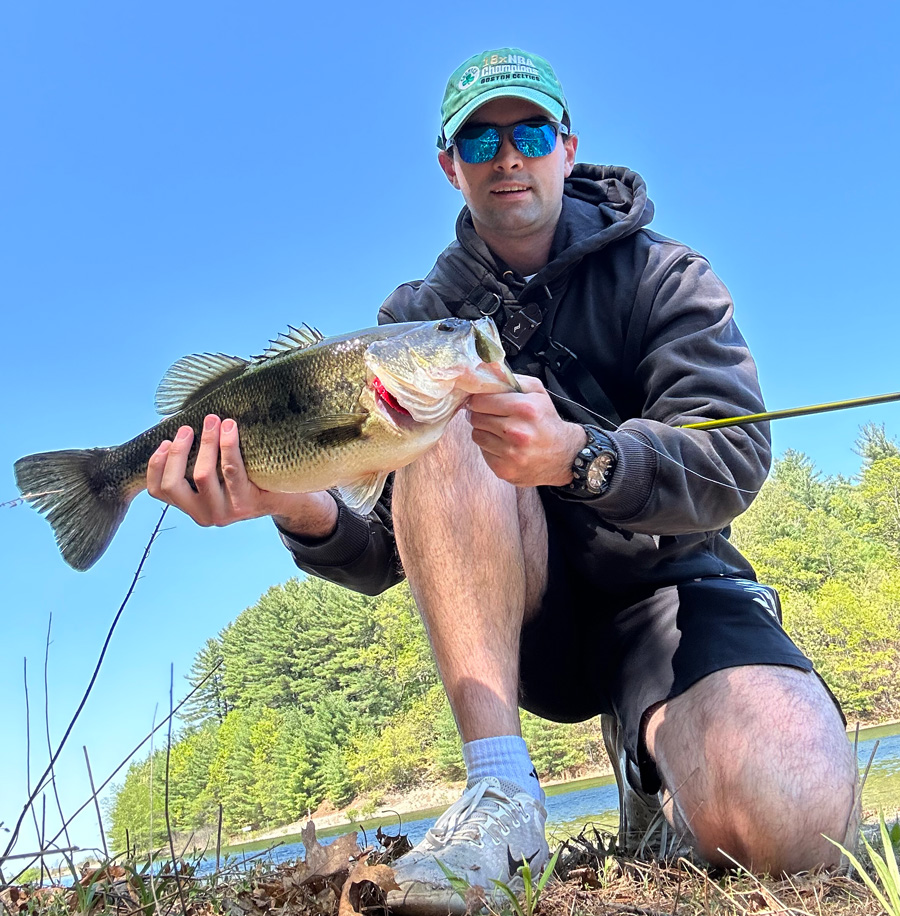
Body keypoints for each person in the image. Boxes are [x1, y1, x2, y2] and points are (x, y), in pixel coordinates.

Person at [148, 47, 858, 914]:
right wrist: (296, 506)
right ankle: (504, 795)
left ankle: (653, 762)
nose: (508, 156)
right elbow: (380, 554)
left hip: (669, 594)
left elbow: (733, 459)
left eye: (528, 131)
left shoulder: (668, 277)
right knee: (437, 415)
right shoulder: (411, 327)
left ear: (566, 144)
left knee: (798, 824)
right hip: (517, 625)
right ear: (451, 166)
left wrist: (580, 456)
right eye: (479, 142)